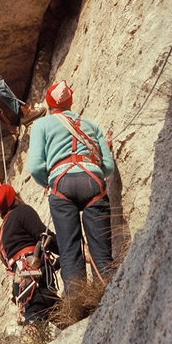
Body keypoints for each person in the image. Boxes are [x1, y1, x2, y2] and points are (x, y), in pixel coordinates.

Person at [27, 80, 115, 294]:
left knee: (69, 250)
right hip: (93, 182)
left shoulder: (41, 125)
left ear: (49, 105)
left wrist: (48, 184)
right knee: (101, 250)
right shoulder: (91, 126)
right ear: (71, 102)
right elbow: (109, 166)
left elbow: (35, 166)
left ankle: (77, 305)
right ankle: (110, 296)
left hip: (61, 185)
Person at [0, 183, 60, 326]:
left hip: (24, 278)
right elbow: (44, 238)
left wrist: (62, 261)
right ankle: (31, 343)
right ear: (15, 198)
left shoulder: (2, 233)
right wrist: (71, 250)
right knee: (35, 320)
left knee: (58, 313)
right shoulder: (22, 212)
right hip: (34, 274)